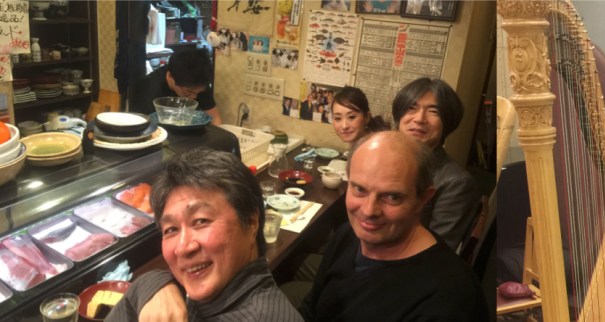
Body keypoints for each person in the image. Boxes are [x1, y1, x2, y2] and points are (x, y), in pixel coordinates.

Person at [299, 131, 487, 321]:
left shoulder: (449, 301)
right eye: (359, 189)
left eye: (392, 197)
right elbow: (311, 308)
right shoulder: (347, 236)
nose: (369, 211)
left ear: (423, 198)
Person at [107, 148, 302, 321]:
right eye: (171, 229)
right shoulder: (218, 294)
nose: (183, 247)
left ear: (251, 223)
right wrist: (151, 284)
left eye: (201, 221)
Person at [392, 77, 479, 251]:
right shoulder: (388, 160)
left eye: (433, 112)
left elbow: (437, 250)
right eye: (411, 108)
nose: (419, 118)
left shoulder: (456, 182)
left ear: (447, 123)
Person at [129, 48, 222, 125]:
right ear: (169, 76)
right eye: (188, 92)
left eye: (197, 93)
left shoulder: (198, 81)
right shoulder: (147, 90)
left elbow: (215, 118)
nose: (194, 96)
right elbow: (143, 129)